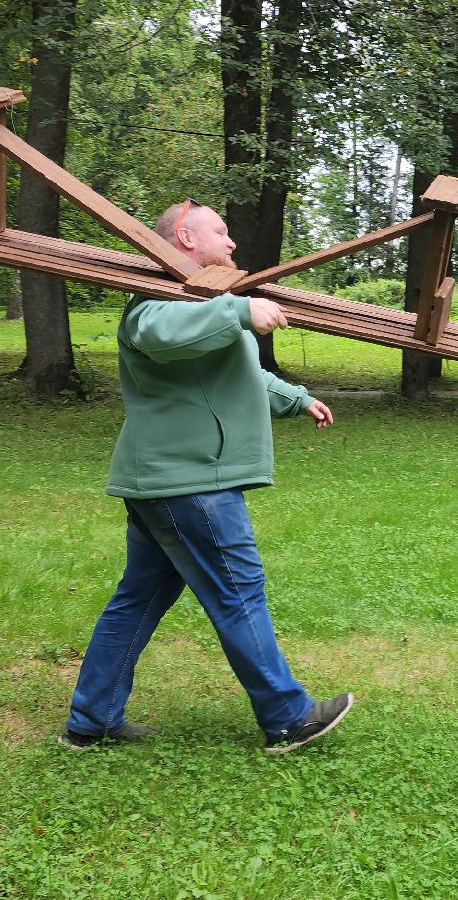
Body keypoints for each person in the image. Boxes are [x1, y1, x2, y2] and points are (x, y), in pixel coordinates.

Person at [62, 198, 351, 754]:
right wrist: (240, 312)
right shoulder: (153, 301)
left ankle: (91, 719)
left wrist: (296, 399)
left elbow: (237, 375)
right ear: (185, 240)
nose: (233, 242)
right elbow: (160, 334)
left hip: (170, 482)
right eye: (221, 231)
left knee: (139, 598)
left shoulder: (203, 303)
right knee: (239, 590)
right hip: (189, 481)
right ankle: (287, 717)